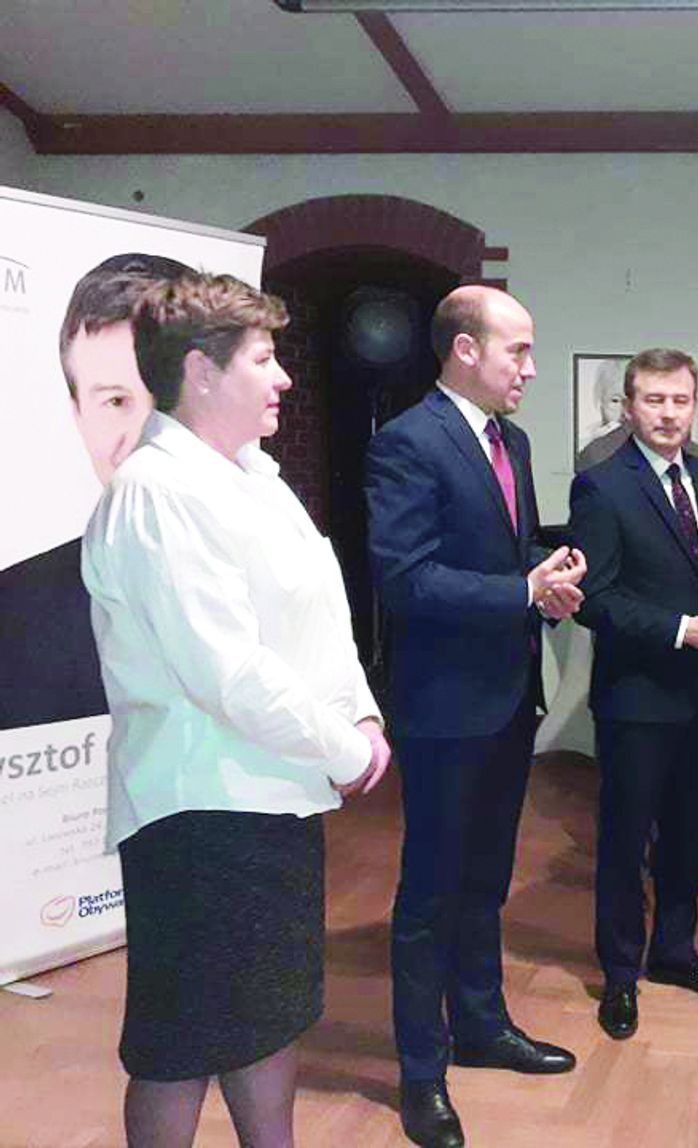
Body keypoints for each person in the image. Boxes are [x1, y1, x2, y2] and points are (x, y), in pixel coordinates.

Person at [81, 271, 392, 1148]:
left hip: (270, 795)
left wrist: (361, 715)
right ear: (201, 371)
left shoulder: (254, 476)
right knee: (180, 1044)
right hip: (198, 810)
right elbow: (224, 670)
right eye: (263, 358)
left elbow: (319, 619)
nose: (283, 377)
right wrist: (347, 750)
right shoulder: (157, 491)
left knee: (269, 1015)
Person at [366, 286, 585, 1148]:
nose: (530, 368)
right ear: (465, 350)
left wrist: (546, 575)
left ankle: (483, 1028)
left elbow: (502, 553)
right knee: (429, 895)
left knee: (487, 880)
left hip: (507, 698)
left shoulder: (510, 440)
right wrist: (520, 590)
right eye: (517, 351)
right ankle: (422, 1075)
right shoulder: (408, 442)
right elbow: (406, 579)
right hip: (444, 707)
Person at [570, 348, 698, 1043]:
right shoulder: (601, 486)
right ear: (629, 407)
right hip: (637, 697)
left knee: (690, 833)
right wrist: (684, 629)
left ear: (695, 405)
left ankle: (675, 952)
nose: (668, 414)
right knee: (625, 843)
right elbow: (595, 599)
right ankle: (620, 973)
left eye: (680, 400)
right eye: (654, 400)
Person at [0, 253, 189, 731]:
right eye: (115, 401)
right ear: (78, 413)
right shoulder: (12, 611)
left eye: (168, 397)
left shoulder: (281, 569)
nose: (147, 433)